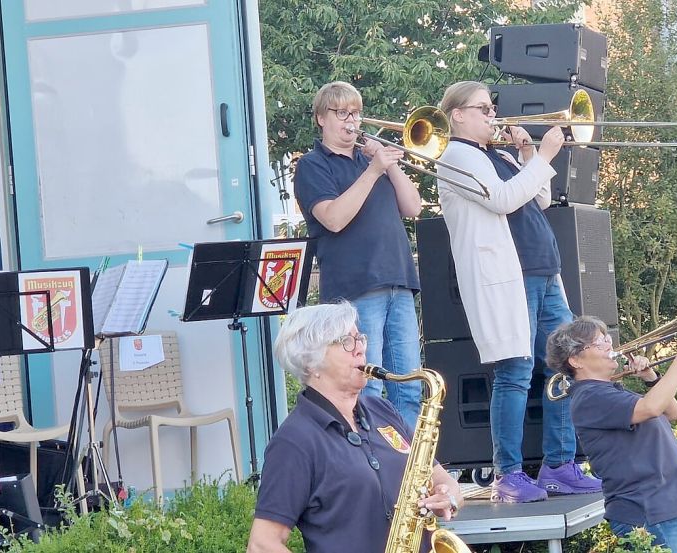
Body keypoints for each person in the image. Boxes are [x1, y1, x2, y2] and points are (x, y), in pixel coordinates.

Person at [435, 80, 601, 503]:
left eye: (492, 108)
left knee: (566, 367)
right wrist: (544, 155)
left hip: (544, 271)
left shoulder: (500, 154)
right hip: (509, 277)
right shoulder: (455, 155)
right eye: (483, 109)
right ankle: (507, 473)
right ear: (457, 114)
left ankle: (559, 465)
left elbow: (539, 198)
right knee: (514, 373)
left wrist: (528, 155)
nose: (493, 116)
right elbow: (503, 200)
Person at [247, 302, 463, 553]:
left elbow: (438, 474)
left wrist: (449, 495)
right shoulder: (294, 442)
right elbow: (263, 544)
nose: (359, 348)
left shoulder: (383, 410)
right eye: (345, 341)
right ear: (310, 363)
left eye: (359, 338)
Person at [293, 81, 421, 430]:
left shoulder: (371, 162)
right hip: (357, 288)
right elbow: (333, 218)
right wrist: (374, 170)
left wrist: (390, 165)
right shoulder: (312, 165)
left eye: (355, 113)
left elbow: (413, 207)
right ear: (321, 118)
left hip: (398, 279)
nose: (351, 121)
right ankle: (374, 470)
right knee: (369, 385)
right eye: (341, 114)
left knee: (409, 388)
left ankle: (409, 474)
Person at [545, 316, 677, 553]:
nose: (610, 345)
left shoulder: (609, 390)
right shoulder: (590, 397)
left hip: (671, 505)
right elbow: (650, 408)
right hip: (647, 511)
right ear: (576, 360)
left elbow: (672, 412)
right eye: (600, 342)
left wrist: (651, 377)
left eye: (607, 338)